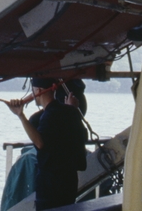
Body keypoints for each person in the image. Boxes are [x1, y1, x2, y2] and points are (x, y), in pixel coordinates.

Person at [6, 78, 89, 210]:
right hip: (69, 182)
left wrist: (20, 115)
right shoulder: (70, 112)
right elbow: (82, 136)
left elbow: (40, 143)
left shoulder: (47, 116)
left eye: (33, 91)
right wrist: (72, 109)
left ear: (38, 90)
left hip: (51, 185)